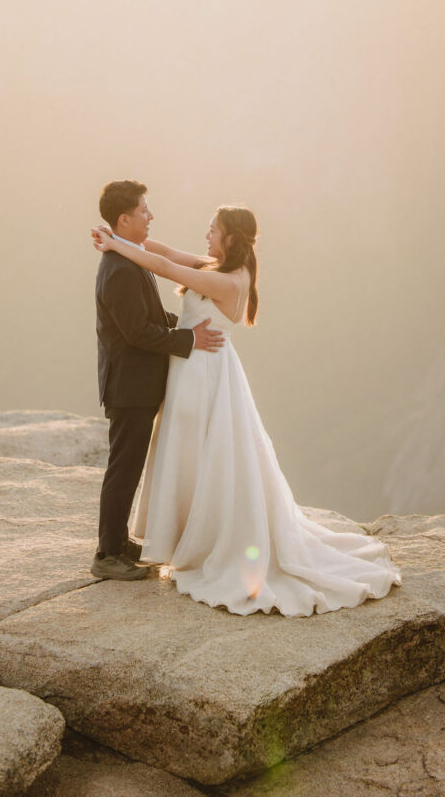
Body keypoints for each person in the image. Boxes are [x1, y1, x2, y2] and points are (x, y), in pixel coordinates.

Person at [91, 203, 403, 616]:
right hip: (195, 372)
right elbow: (162, 252)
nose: (206, 235)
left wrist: (117, 245)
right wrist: (119, 240)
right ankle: (183, 535)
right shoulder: (218, 267)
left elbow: (165, 269)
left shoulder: (230, 281)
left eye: (213, 229)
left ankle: (204, 538)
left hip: (203, 377)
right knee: (193, 454)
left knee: (201, 453)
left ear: (231, 238)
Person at [92, 180, 225, 582]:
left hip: (137, 386)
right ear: (124, 219)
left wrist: (184, 323)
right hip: (128, 389)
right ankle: (106, 554)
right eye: (145, 211)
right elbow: (137, 333)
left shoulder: (127, 258)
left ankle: (118, 542)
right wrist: (190, 339)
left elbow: (150, 317)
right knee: (123, 469)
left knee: (129, 467)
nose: (151, 217)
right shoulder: (118, 270)